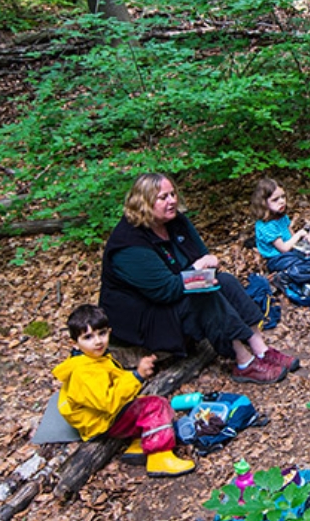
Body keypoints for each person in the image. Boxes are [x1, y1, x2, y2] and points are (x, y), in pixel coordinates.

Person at [99, 172, 293, 385]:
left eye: (173, 194)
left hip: (175, 289)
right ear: (143, 203)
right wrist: (198, 269)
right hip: (144, 316)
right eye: (163, 197)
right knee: (203, 295)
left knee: (225, 281)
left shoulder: (175, 222)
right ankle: (244, 362)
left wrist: (206, 268)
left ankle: (261, 350)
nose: (172, 200)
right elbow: (166, 290)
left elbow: (202, 257)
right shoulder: (129, 245)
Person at [53, 304, 196, 477]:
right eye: (88, 337)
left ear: (109, 332)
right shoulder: (83, 371)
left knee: (144, 401)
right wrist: (136, 377)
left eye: (102, 333)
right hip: (101, 421)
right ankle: (160, 456)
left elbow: (115, 383)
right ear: (75, 344)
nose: (98, 341)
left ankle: (139, 445)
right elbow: (108, 402)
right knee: (154, 406)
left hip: (103, 417)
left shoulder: (95, 359)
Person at [251, 177, 310, 273]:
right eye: (275, 200)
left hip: (291, 250)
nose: (282, 201)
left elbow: (292, 237)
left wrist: (306, 238)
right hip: (278, 258)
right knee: (302, 264)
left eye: (283, 197)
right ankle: (286, 277)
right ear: (264, 203)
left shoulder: (282, 216)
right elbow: (283, 248)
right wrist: (300, 234)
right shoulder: (266, 225)